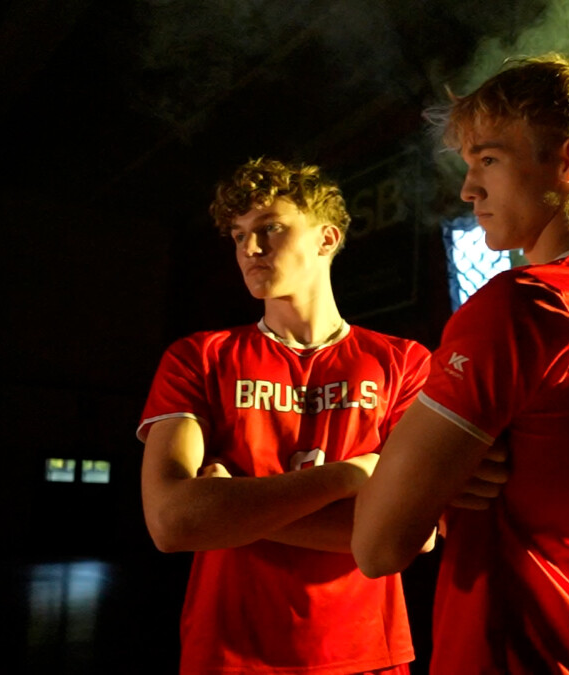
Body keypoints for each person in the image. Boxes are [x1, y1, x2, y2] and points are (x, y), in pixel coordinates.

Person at [352, 54, 569, 674]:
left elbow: (377, 546)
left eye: (488, 160)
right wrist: (441, 472)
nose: (468, 188)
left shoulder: (527, 303)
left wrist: (388, 469)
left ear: (568, 161)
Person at [138, 158, 430, 674]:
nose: (249, 248)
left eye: (269, 228)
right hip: (229, 653)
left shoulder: (404, 362)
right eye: (238, 235)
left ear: (326, 239)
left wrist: (229, 506)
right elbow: (171, 523)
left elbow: (410, 532)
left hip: (365, 654)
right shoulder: (198, 358)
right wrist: (351, 475)